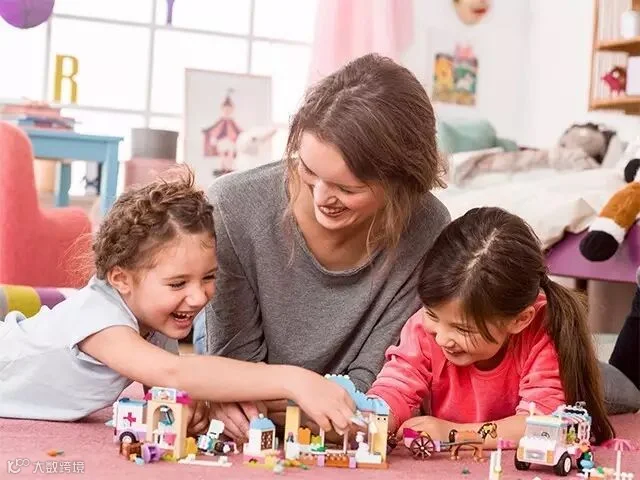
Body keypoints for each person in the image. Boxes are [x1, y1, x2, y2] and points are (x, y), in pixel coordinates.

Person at [198, 52, 450, 442]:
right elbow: (237, 372)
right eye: (308, 170)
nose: (321, 198)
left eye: (347, 188)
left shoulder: (426, 226)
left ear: (401, 181)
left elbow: (376, 388)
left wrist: (323, 405)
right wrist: (254, 392)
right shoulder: (234, 208)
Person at [0, 169, 356, 436]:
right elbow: (174, 373)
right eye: (177, 283)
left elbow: (172, 386)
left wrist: (193, 405)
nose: (199, 297)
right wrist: (293, 379)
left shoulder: (152, 320)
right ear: (121, 278)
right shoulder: (99, 319)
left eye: (209, 277)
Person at [368, 207, 620, 446]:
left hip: (593, 377)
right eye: (431, 314)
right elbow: (395, 386)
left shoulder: (546, 330)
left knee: (626, 393)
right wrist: (371, 419)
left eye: (463, 329)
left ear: (520, 320)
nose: (442, 338)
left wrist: (453, 434)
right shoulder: (426, 328)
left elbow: (542, 423)